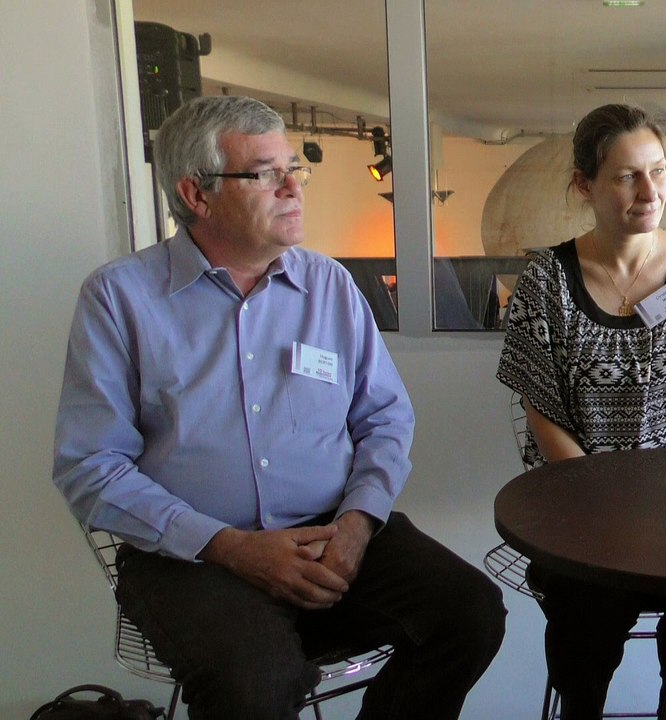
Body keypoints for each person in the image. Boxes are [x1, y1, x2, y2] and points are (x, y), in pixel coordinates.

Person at [52, 95, 506, 720]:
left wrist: (357, 524)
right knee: (256, 685)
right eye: (266, 173)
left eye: (295, 169)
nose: (293, 187)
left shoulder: (329, 285)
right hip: (191, 559)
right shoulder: (119, 298)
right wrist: (230, 547)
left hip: (331, 533)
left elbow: (384, 418)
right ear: (197, 193)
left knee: (469, 614)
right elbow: (89, 466)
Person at [497, 103, 666, 719]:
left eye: (657, 171)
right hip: (585, 512)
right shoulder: (547, 283)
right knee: (584, 622)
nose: (649, 191)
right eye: (626, 176)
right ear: (584, 185)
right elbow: (540, 407)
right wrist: (611, 511)